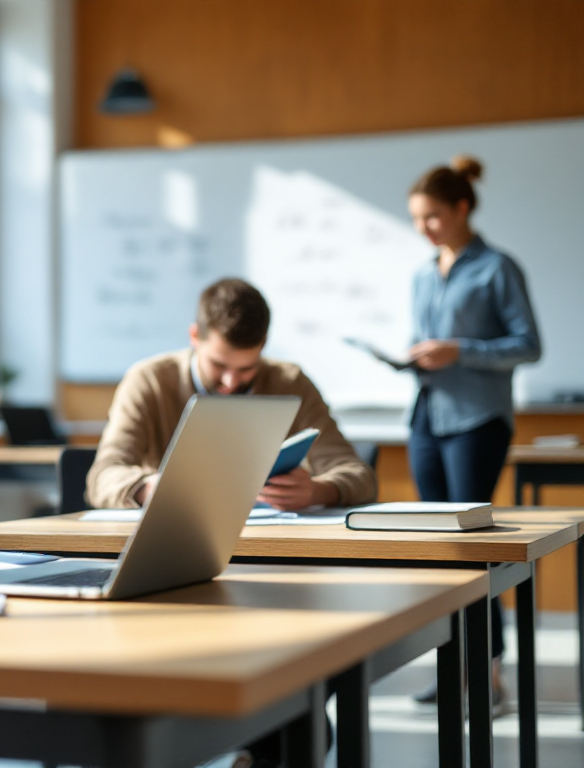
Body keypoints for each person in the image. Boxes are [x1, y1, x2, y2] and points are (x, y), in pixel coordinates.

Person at [405, 155, 541, 710]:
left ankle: (487, 672)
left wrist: (460, 351)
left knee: (472, 548)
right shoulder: (422, 271)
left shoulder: (497, 268)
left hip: (477, 421)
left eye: (433, 216)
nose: (425, 227)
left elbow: (528, 345)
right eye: (417, 218)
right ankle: (451, 666)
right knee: (439, 550)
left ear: (462, 208)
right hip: (427, 416)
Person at [87, 278, 377, 511]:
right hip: (173, 540)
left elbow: (359, 476)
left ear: (263, 345)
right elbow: (102, 478)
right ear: (194, 336)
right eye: (218, 364)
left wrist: (317, 491)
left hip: (269, 546)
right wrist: (154, 489)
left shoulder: (290, 382)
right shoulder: (149, 380)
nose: (230, 381)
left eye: (247, 368)